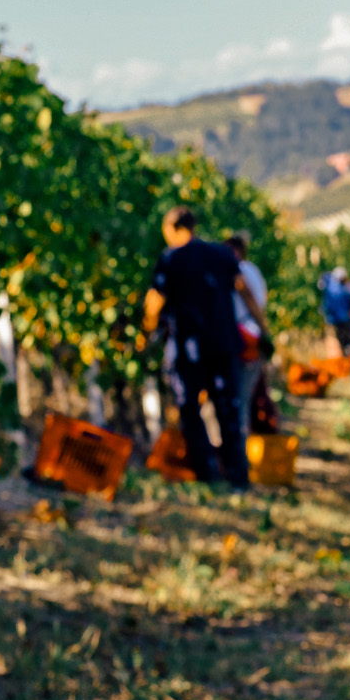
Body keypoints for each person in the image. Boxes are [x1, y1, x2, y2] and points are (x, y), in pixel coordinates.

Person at [142, 207, 258, 489]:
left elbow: (155, 301)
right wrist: (263, 330)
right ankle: (237, 475)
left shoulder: (171, 258)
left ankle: (206, 472)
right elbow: (244, 290)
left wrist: (146, 333)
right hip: (224, 344)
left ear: (171, 227)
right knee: (228, 408)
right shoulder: (220, 254)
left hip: (190, 349)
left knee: (191, 410)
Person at [225, 231, 270, 443]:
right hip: (254, 337)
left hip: (244, 339)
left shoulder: (239, 271)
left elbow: (249, 299)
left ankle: (238, 455)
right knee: (245, 398)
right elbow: (260, 303)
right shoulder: (254, 270)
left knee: (238, 401)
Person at [321, 267, 350, 360]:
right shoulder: (348, 288)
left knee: (343, 339)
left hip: (336, 319)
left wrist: (327, 317)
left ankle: (348, 359)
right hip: (347, 318)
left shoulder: (330, 289)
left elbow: (326, 306)